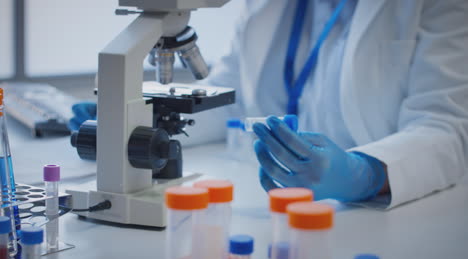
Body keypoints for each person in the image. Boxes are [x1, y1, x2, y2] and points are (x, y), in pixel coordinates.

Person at [70, 0, 468, 208]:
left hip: (384, 211)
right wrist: (133, 113)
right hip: (259, 196)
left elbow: (445, 127)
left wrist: (365, 173)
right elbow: (231, 95)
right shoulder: (270, 5)